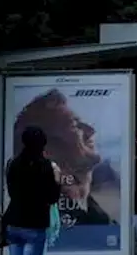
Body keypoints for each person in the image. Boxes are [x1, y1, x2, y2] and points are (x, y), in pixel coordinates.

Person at [13, 89, 115, 229]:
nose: (90, 131)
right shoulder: (36, 218)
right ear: (46, 150)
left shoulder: (102, 221)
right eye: (74, 125)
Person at [4, 127, 61, 255]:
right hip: (35, 223)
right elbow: (52, 198)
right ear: (43, 144)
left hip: (14, 222)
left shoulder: (13, 163)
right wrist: (57, 180)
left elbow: (12, 192)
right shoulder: (47, 167)